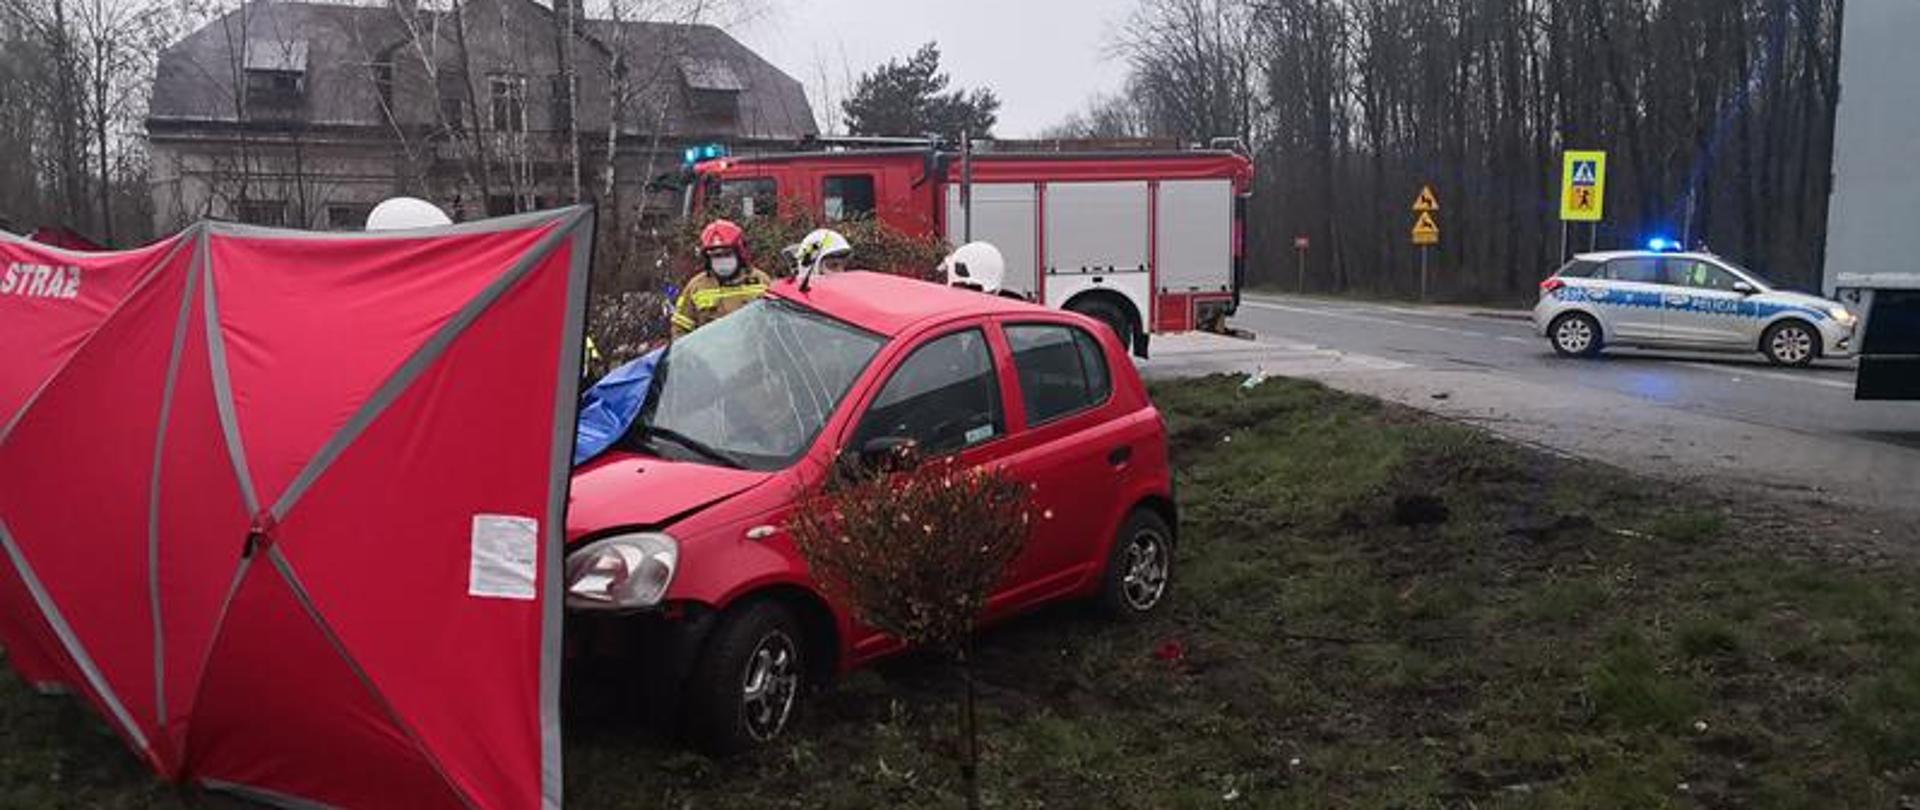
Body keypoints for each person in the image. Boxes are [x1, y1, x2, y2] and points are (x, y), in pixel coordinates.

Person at [672, 219, 772, 339]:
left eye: (726, 254)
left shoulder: (762, 281)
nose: (721, 261)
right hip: (711, 355)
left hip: (753, 354)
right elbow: (680, 328)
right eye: (715, 256)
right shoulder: (696, 287)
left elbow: (776, 325)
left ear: (739, 253)